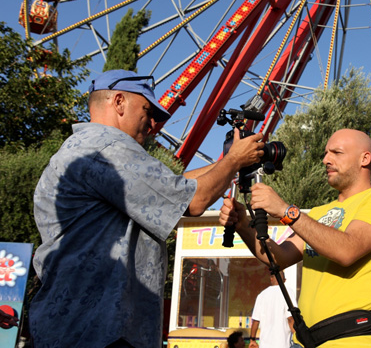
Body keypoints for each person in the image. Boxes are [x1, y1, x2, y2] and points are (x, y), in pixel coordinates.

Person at [29, 69, 265, 348]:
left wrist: (228, 159)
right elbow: (194, 201)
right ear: (118, 102)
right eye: (148, 111)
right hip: (98, 330)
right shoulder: (108, 147)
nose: (154, 124)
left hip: (73, 325)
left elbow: (171, 188)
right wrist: (234, 162)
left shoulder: (82, 148)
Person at [219, 129, 371, 347]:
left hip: (355, 339)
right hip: (309, 341)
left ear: (365, 158)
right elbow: (279, 258)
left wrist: (286, 211)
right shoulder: (318, 213)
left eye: (337, 152)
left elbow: (347, 250)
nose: (326, 159)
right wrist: (242, 224)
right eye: (326, 153)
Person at [249, 272, 295, 348]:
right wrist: (298, 338)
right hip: (282, 344)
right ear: (284, 280)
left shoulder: (262, 295)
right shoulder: (288, 292)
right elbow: (291, 319)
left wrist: (252, 339)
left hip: (264, 345)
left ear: (271, 279)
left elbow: (256, 321)